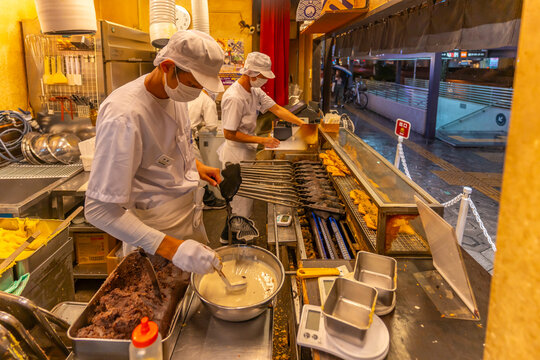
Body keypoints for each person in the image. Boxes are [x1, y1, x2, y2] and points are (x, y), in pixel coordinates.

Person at [85, 30, 224, 275]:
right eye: (193, 84)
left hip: (187, 219)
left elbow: (171, 147)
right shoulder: (124, 115)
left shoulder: (174, 94)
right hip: (153, 238)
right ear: (168, 66)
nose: (195, 92)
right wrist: (172, 248)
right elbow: (99, 210)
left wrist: (196, 167)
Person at [217, 52, 306, 244]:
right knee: (241, 203)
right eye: (263, 76)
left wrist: (303, 125)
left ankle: (225, 237)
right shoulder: (234, 97)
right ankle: (239, 246)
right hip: (235, 156)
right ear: (252, 73)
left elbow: (277, 109)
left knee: (241, 201)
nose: (265, 80)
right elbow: (229, 133)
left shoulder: (254, 91)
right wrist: (262, 140)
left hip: (246, 152)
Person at [188, 90, 226, 210]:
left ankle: (195, 200)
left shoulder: (191, 95)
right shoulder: (207, 100)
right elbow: (212, 126)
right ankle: (208, 201)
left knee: (188, 169)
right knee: (198, 169)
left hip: (176, 136)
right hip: (187, 138)